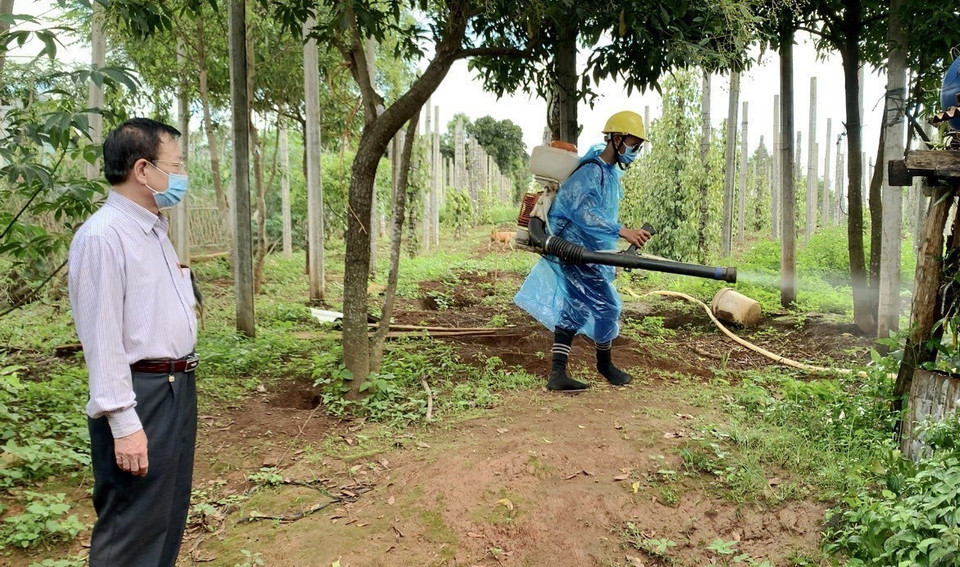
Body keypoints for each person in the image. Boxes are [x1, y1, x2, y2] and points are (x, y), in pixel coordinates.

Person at [68, 118, 198, 566]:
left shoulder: (154, 230)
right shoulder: (103, 237)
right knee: (132, 524)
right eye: (175, 166)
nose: (181, 176)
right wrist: (124, 424)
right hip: (141, 394)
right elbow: (101, 339)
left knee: (166, 513)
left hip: (176, 387)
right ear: (143, 170)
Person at [515, 111, 651, 391]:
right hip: (572, 249)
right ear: (616, 139)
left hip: (585, 251)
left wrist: (608, 255)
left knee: (575, 307)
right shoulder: (592, 171)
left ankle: (558, 374)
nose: (634, 151)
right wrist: (623, 231)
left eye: (638, 146)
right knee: (608, 306)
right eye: (632, 144)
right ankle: (604, 366)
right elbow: (584, 213)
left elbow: (599, 215)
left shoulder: (608, 173)